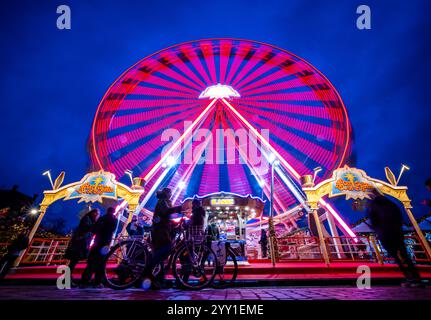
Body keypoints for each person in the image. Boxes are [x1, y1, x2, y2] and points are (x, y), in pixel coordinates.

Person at [366, 189, 424, 287]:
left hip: (385, 233)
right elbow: (399, 215)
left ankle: (408, 277)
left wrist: (377, 229)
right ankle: (416, 277)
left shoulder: (373, 206)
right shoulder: (390, 203)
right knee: (404, 254)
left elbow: (373, 220)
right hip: (397, 231)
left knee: (395, 256)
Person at [146, 187, 182, 288]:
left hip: (162, 230)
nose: (171, 194)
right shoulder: (162, 202)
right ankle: (148, 270)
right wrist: (178, 208)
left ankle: (159, 280)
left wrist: (174, 224)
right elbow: (165, 212)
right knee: (166, 249)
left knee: (161, 256)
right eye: (169, 193)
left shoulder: (165, 201)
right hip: (160, 231)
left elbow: (165, 217)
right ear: (166, 193)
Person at [81, 207, 117, 288]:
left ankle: (84, 281)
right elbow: (113, 230)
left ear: (107, 210)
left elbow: (94, 229)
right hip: (106, 243)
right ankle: (97, 282)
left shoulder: (101, 218)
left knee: (91, 262)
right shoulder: (114, 219)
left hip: (98, 241)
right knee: (102, 263)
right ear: (114, 212)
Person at [64, 208, 99, 285]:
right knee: (74, 260)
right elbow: (88, 227)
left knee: (74, 261)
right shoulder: (87, 219)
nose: (96, 215)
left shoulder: (90, 220)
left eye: (97, 214)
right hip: (79, 242)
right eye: (96, 213)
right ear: (92, 213)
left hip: (81, 242)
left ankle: (67, 278)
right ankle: (67, 279)